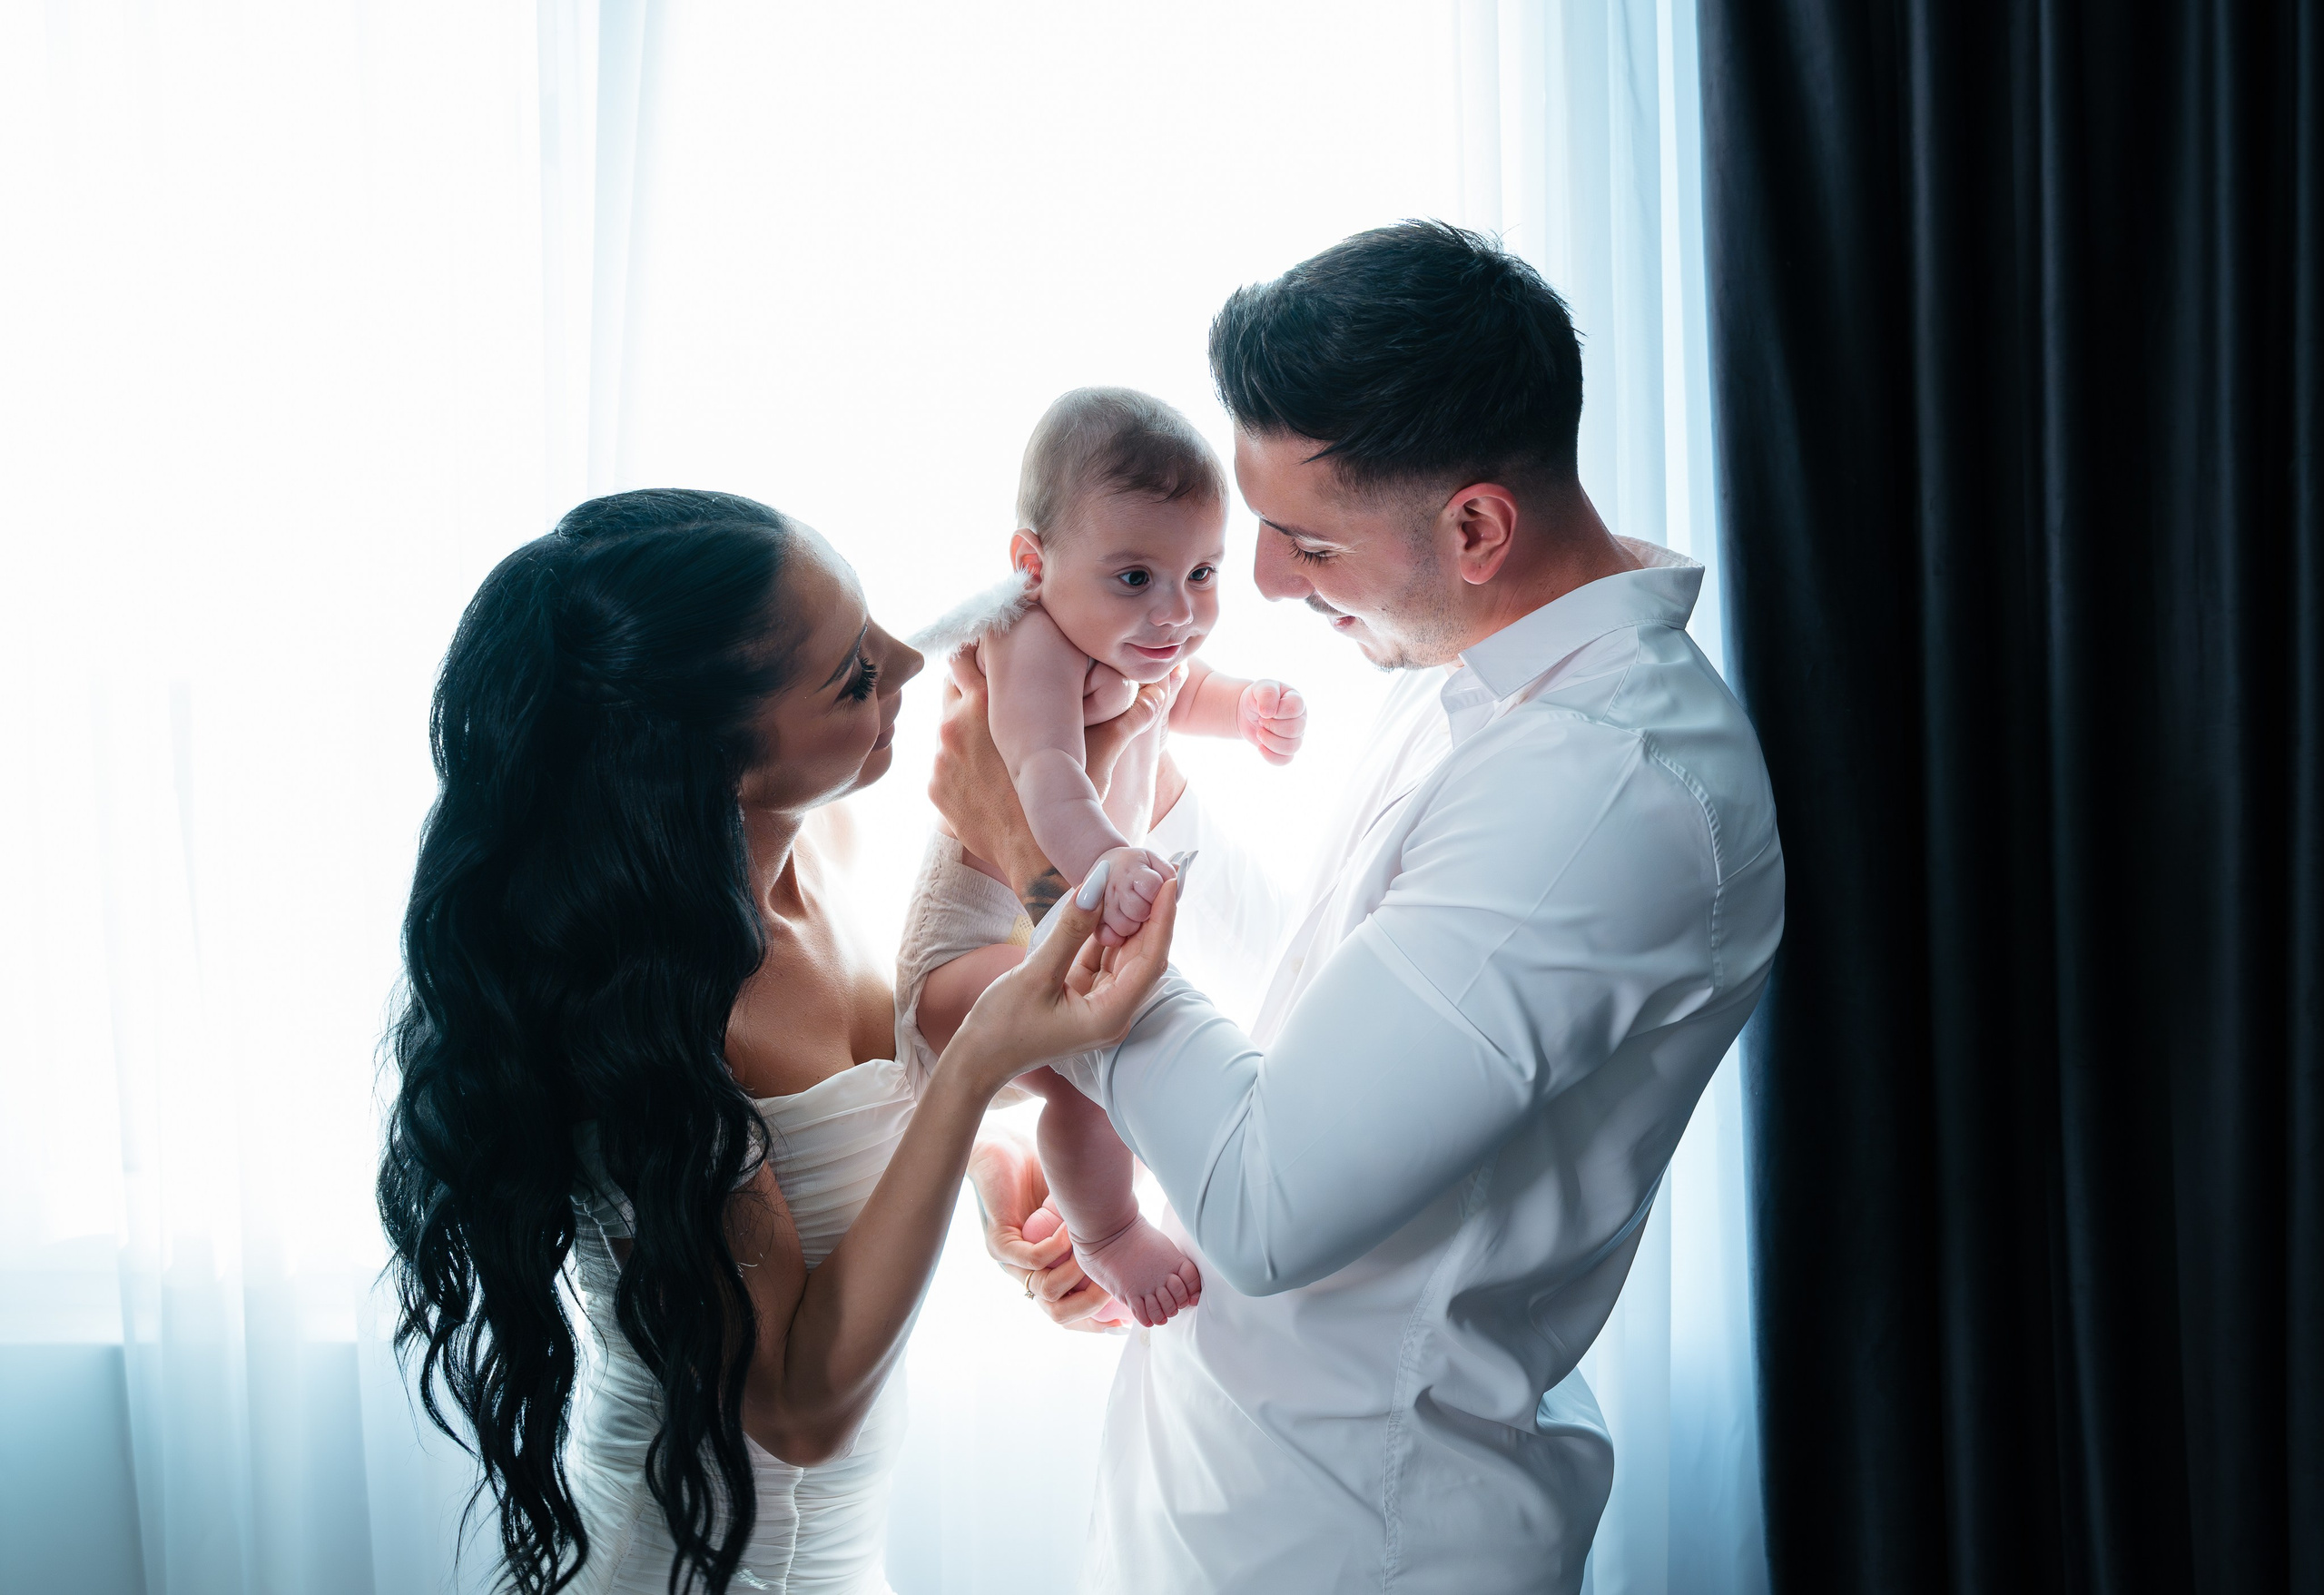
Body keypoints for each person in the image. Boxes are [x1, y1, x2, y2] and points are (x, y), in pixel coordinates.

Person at [933, 222, 1787, 1592]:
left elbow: (1272, 1204)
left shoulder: (1606, 794)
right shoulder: (1478, 671)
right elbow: (1317, 997)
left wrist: (1042, 883)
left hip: (1351, 1537)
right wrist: (1106, 1171)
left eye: (1303, 542)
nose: (1259, 585)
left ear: (1475, 526)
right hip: (1220, 1486)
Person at [378, 488, 1179, 1595]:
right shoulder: (651, 1011)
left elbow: (864, 1109)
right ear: (720, 764)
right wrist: (978, 1070)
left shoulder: (829, 837)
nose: (907, 659)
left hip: (846, 1551)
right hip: (706, 1565)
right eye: (854, 674)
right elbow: (798, 1406)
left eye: (872, 625)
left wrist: (990, 1178)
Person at [904, 387, 1306, 1328]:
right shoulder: (1029, 638)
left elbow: (1184, 689)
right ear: (1031, 563)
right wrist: (1106, 859)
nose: (1176, 610)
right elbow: (1044, 775)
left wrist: (1245, 707)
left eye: (1202, 572)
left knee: (1101, 1065)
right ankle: (1107, 1235)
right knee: (1099, 1063)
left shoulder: (1135, 643)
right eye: (1136, 576)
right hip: (960, 963)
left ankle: (1039, 1181)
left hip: (1042, 929)